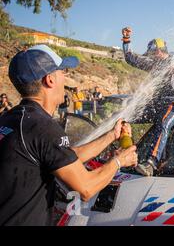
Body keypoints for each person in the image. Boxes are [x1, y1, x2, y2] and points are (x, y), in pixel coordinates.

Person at [0, 45, 138, 226]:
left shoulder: (11, 118)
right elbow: (86, 188)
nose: (65, 77)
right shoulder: (43, 127)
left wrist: (111, 136)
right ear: (49, 80)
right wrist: (119, 161)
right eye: (62, 71)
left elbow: (64, 157)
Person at [121, 16, 174, 176]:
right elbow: (130, 58)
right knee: (125, 118)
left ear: (157, 51)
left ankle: (150, 163)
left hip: (172, 106)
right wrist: (126, 39)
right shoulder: (152, 63)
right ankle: (125, 152)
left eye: (151, 53)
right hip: (155, 106)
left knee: (162, 124)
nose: (149, 56)